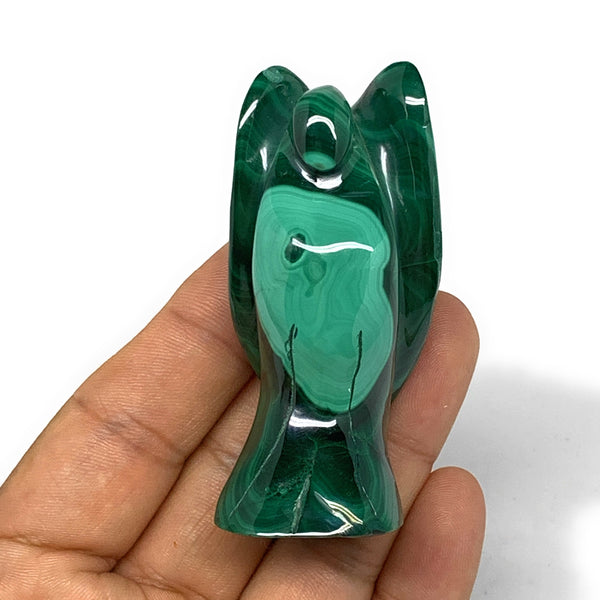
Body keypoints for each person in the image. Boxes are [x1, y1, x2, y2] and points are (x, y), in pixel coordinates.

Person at [0, 245, 485, 599]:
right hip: (291, 404)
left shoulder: (368, 248)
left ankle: (339, 488)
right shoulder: (279, 223)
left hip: (354, 407)